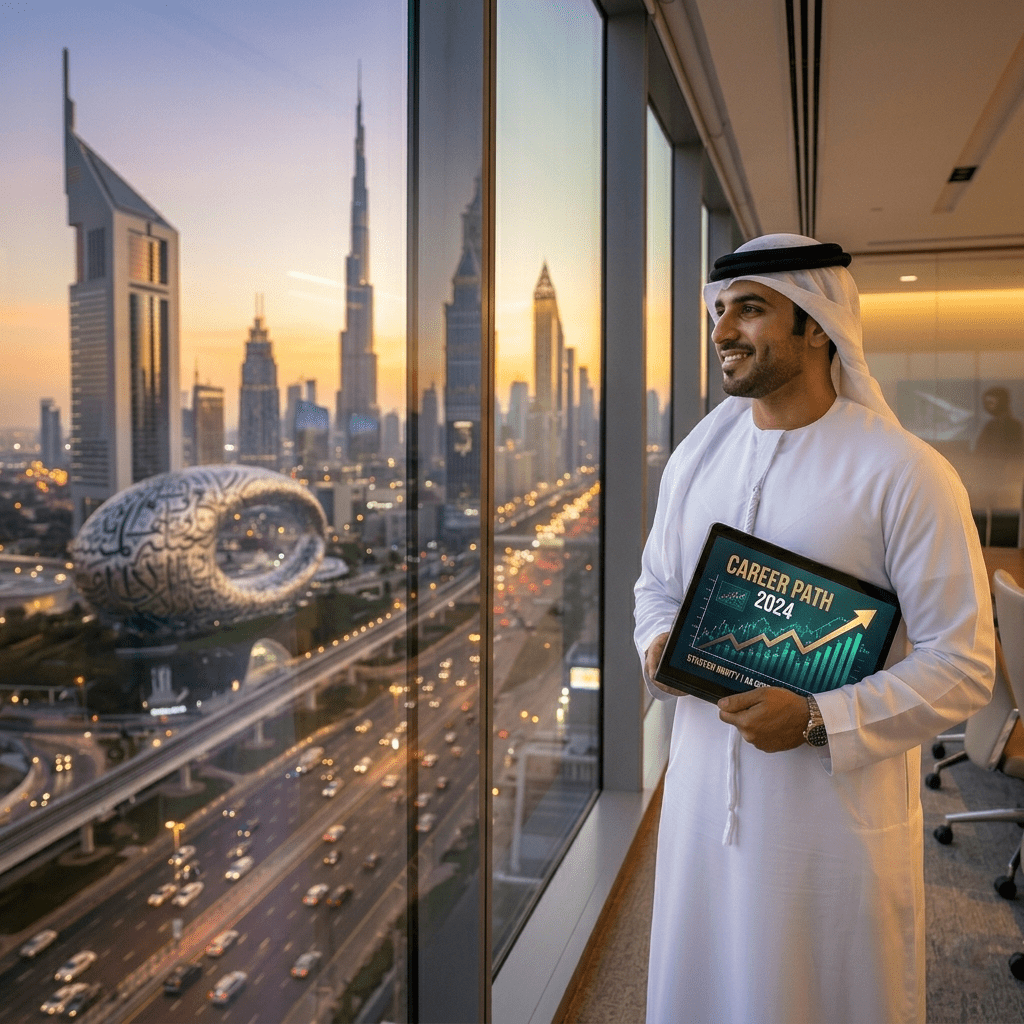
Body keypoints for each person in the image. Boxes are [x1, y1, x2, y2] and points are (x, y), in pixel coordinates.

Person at [634, 233, 996, 1024]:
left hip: (831, 830)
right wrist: (659, 645)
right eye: (720, 311)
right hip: (698, 805)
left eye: (751, 310)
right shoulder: (697, 459)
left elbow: (964, 663)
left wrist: (818, 720)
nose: (724, 330)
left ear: (818, 326)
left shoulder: (905, 473)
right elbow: (655, 586)